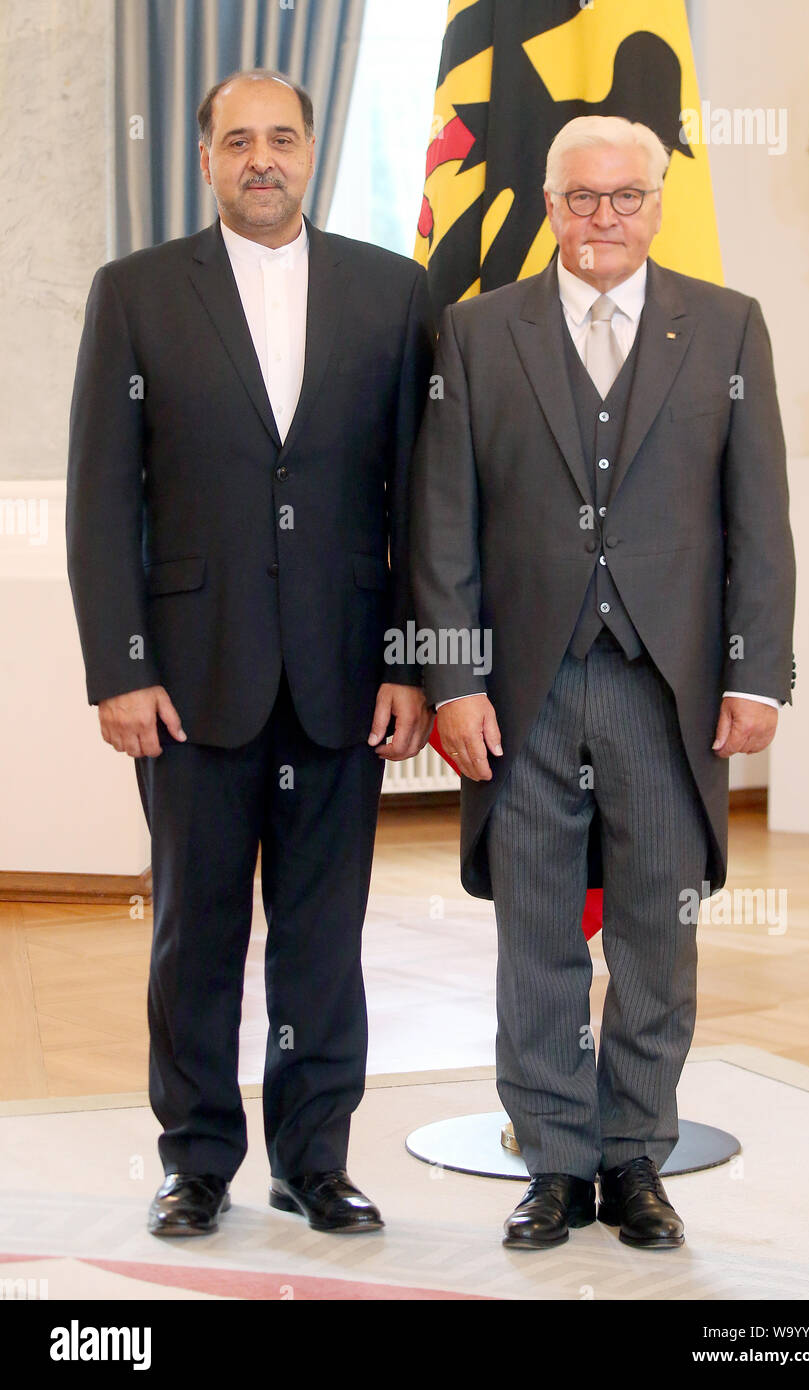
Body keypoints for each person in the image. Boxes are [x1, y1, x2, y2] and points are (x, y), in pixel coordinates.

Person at [412, 115, 794, 1252]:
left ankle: (635, 1158)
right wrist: (450, 681)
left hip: (662, 689)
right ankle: (552, 1163)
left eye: (626, 197)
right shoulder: (477, 333)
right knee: (534, 934)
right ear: (548, 205)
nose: (604, 218)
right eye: (582, 198)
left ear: (658, 206)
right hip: (519, 691)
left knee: (653, 937)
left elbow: (757, 522)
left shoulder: (726, 326)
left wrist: (757, 674)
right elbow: (442, 526)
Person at [67, 70, 434, 1238]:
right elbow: (100, 496)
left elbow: (423, 499)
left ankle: (314, 1159)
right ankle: (195, 1161)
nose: (260, 157)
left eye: (281, 137)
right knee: (194, 934)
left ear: (311, 152)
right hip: (187, 678)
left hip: (344, 673)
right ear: (207, 158)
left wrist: (413, 660)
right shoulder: (134, 294)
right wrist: (120, 665)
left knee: (325, 938)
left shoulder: (394, 293)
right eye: (238, 140)